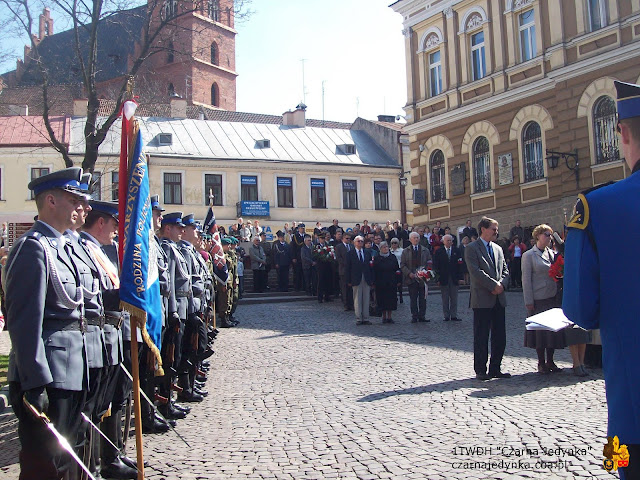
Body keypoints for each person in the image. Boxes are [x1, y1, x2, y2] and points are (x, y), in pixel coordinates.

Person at [563, 81, 640, 480]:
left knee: (622, 464)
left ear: (624, 134)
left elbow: (580, 309)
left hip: (632, 416)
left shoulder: (596, 207)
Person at [5, 167, 90, 479]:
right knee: (44, 464)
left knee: (65, 458)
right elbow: (24, 321)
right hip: (48, 373)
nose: (81, 207)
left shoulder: (63, 247)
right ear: (51, 201)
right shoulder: (33, 247)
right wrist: (35, 380)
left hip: (71, 369)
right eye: (73, 200)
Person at [465, 216, 510, 381]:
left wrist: (502, 285)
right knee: (482, 336)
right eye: (493, 229)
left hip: (499, 298)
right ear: (483, 229)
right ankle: (481, 370)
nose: (496, 232)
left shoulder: (498, 248)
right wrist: (493, 286)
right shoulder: (471, 248)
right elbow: (476, 272)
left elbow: (505, 269)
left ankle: (495, 368)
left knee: (500, 337)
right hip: (483, 299)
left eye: (496, 229)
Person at [521, 225, 569, 375]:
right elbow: (526, 280)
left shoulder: (553, 253)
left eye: (550, 235)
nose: (549, 237)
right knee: (540, 331)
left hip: (552, 296)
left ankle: (551, 360)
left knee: (552, 331)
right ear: (538, 236)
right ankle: (541, 362)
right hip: (538, 298)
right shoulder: (529, 255)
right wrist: (529, 301)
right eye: (546, 235)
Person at [400, 232, 432, 323]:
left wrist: (427, 272)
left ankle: (422, 315)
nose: (416, 239)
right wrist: (409, 273)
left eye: (417, 237)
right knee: (413, 299)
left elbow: (429, 262)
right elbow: (402, 265)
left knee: (423, 298)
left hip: (423, 278)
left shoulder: (425, 250)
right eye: (414, 238)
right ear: (410, 240)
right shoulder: (405, 251)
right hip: (411, 278)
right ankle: (414, 316)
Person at [433, 234, 464, 322]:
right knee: (445, 298)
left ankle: (454, 315)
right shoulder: (439, 251)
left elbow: (460, 264)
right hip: (443, 278)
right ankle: (446, 315)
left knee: (454, 298)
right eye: (448, 240)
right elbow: (436, 266)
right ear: (443, 242)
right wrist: (437, 279)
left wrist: (460, 277)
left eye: (451, 240)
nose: (449, 242)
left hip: (454, 277)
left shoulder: (456, 250)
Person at [345, 235, 374, 325]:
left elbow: (371, 267)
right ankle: (358, 318)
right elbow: (347, 268)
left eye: (362, 241)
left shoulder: (367, 253)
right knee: (357, 299)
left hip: (366, 278)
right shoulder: (350, 253)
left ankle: (366, 317)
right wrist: (348, 280)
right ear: (354, 243)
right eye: (358, 241)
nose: (360, 243)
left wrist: (372, 279)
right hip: (356, 278)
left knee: (366, 298)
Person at [373, 241, 400, 323]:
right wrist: (374, 281)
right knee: (382, 300)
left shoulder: (392, 257)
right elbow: (374, 270)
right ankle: (383, 317)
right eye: (384, 247)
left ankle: (389, 317)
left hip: (391, 281)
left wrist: (399, 280)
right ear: (380, 249)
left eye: (387, 247)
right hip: (380, 282)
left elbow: (397, 269)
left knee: (391, 300)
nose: (386, 249)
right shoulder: (377, 258)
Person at [335, 232, 354, 311]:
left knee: (351, 288)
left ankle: (351, 303)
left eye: (349, 239)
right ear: (343, 238)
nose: (348, 240)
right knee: (344, 287)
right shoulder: (339, 247)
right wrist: (346, 264)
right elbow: (338, 258)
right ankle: (346, 304)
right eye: (347, 238)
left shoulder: (352, 246)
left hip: (351, 271)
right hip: (343, 269)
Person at [314, 233, 333, 303]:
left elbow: (331, 253)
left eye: (323, 239)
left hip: (327, 265)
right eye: (321, 239)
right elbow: (315, 255)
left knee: (328, 281)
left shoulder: (328, 245)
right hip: (320, 266)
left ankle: (327, 296)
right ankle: (320, 297)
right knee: (321, 281)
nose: (322, 240)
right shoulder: (316, 246)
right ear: (319, 239)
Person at [390, 238, 404, 303]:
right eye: (392, 243)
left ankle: (401, 296)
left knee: (399, 283)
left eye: (395, 243)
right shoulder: (390, 251)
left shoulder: (402, 250)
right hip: (392, 269)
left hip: (400, 268)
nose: (394, 244)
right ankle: (395, 297)